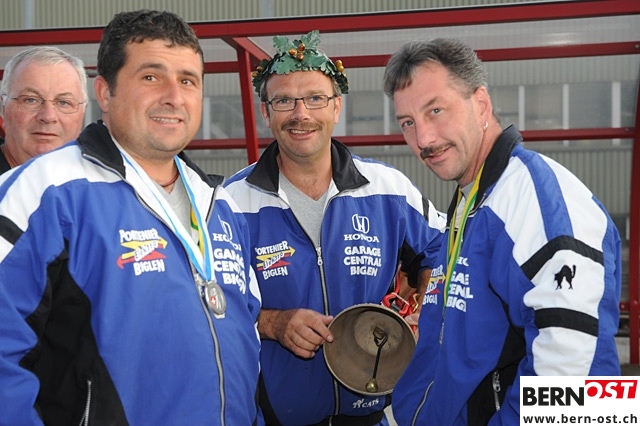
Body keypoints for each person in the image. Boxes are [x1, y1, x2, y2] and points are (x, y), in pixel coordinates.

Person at [0, 9, 262, 426]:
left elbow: (245, 339)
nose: (174, 96)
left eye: (188, 80)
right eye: (151, 77)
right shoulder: (43, 192)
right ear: (105, 93)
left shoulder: (221, 205)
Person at [383, 37, 622, 425]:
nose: (423, 139)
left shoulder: (537, 202)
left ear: (480, 104)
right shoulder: (473, 199)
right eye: (408, 123)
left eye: (436, 110)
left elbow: (578, 375)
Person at [224, 30, 445, 426]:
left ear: (336, 107)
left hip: (374, 412)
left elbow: (443, 251)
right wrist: (273, 324)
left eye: (315, 98)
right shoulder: (230, 203)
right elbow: (208, 303)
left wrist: (423, 314)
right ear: (265, 112)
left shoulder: (388, 189)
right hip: (273, 417)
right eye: (284, 101)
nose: (301, 114)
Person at [0, 45, 88, 173]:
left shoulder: (100, 179)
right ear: (3, 107)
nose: (48, 117)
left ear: (83, 112)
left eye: (63, 102)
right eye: (31, 100)